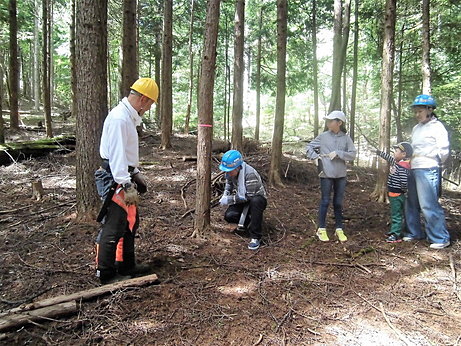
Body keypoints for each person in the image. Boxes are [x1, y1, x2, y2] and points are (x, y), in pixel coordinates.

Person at [94, 77, 158, 284]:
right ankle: (105, 272)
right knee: (114, 225)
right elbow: (117, 156)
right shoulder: (120, 119)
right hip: (115, 179)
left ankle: (127, 264)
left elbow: (127, 154)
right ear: (143, 99)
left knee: (130, 222)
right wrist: (126, 184)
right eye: (149, 104)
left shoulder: (128, 118)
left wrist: (136, 175)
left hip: (124, 176)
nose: (148, 108)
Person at [404, 94, 450, 249]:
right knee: (412, 202)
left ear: (430, 109)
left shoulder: (437, 127)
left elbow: (443, 150)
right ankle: (414, 232)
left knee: (428, 204)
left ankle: (440, 237)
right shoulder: (416, 128)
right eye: (415, 111)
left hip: (428, 167)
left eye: (420, 111)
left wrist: (434, 162)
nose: (417, 114)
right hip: (414, 166)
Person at [306, 110, 357, 242]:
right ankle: (321, 229)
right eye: (327, 120)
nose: (328, 123)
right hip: (326, 173)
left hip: (341, 174)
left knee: (338, 202)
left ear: (339, 123)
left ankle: (339, 228)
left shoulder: (346, 138)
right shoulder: (323, 137)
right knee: (325, 201)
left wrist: (339, 153)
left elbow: (352, 154)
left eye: (331, 120)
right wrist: (315, 157)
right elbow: (309, 147)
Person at [218, 150, 267, 250]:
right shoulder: (230, 173)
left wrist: (229, 200)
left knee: (256, 202)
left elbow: (248, 196)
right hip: (241, 198)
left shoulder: (250, 174)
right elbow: (229, 184)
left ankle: (255, 236)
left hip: (256, 198)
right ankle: (250, 223)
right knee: (229, 216)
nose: (228, 173)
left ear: (238, 167)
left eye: (230, 170)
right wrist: (226, 194)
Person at [376, 142, 413, 243]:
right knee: (394, 213)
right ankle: (394, 231)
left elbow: (404, 182)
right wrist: (379, 152)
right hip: (393, 194)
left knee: (397, 215)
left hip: (397, 194)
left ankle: (396, 235)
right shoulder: (398, 163)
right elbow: (389, 158)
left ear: (404, 154)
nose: (394, 153)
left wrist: (404, 191)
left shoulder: (403, 167)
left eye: (396, 151)